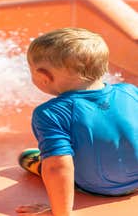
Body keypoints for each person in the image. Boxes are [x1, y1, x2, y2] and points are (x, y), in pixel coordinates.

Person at [16, 28, 138, 216]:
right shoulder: (130, 91)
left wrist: (59, 213)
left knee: (26, 156)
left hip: (96, 186)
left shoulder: (49, 113)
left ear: (43, 76)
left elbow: (58, 166)